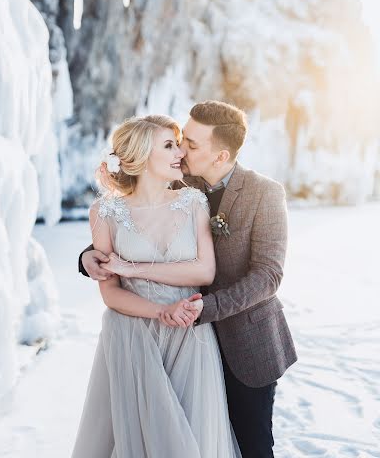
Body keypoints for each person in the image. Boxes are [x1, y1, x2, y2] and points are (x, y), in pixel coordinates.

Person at [79, 101, 298, 458]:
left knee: (252, 444)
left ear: (220, 155)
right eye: (179, 141)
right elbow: (132, 222)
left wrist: (202, 309)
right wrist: (88, 256)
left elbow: (268, 275)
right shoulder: (181, 182)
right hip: (175, 333)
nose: (182, 149)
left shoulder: (264, 193)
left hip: (243, 338)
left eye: (191, 145)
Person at [71, 114, 241, 458]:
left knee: (190, 442)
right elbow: (111, 292)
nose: (180, 151)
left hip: (187, 334)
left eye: (177, 143)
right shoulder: (105, 211)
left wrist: (134, 268)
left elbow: (204, 272)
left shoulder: (194, 201)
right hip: (131, 336)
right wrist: (161, 310)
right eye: (168, 145)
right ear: (140, 154)